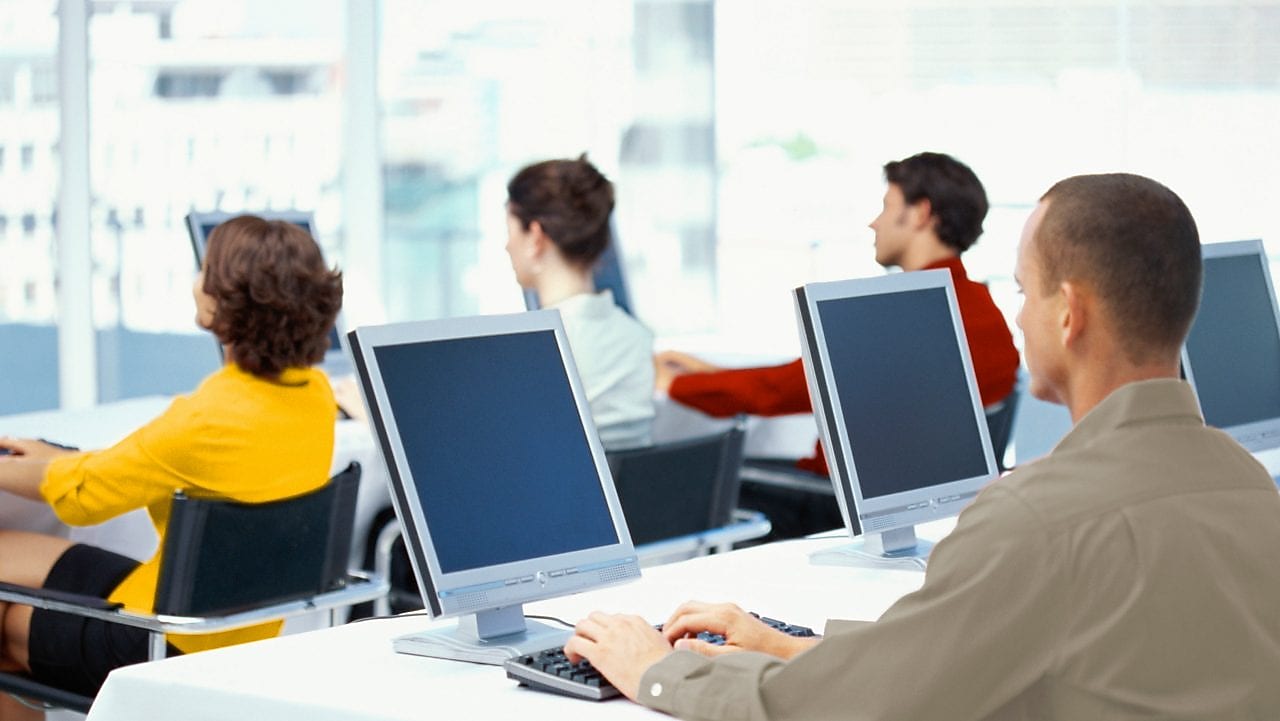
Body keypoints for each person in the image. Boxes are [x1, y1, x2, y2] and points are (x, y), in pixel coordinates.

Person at [564, 173, 1280, 719]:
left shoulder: (1035, 520)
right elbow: (986, 657)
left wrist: (655, 668)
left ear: (1070, 313)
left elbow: (854, 705)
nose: (1018, 315)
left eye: (1026, 292)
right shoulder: (1251, 491)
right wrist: (783, 641)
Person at [0, 216, 343, 708]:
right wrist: (58, 460)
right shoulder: (314, 397)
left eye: (204, 269)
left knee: (4, 624)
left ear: (226, 299)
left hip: (163, 640)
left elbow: (83, 498)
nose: (196, 281)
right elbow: (141, 465)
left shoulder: (206, 417)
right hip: (237, 628)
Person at [657, 152, 1019, 537]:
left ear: (920, 214)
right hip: (926, 514)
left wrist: (673, 385)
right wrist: (709, 371)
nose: (873, 222)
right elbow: (809, 378)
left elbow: (781, 392)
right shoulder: (985, 314)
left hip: (838, 505)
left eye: (885, 207)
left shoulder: (900, 312)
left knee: (690, 480)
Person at [506, 155, 655, 450]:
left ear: (535, 237)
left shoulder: (532, 350)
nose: (507, 245)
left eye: (510, 231)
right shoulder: (636, 337)